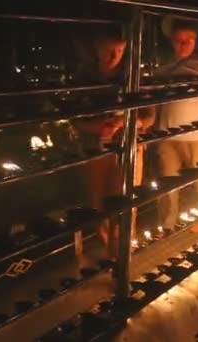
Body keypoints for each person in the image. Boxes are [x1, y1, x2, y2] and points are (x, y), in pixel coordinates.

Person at [72, 28, 153, 259]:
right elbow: (75, 120)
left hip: (128, 149)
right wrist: (95, 126)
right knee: (99, 207)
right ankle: (111, 255)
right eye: (109, 51)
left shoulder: (133, 78)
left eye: (119, 51)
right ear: (96, 49)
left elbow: (149, 116)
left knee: (126, 206)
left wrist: (124, 121)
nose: (113, 56)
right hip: (95, 151)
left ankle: (122, 262)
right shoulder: (83, 79)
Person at [155, 20, 198, 231]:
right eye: (179, 40)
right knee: (167, 185)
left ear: (195, 42)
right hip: (167, 137)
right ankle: (167, 225)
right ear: (172, 42)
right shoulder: (162, 71)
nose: (184, 45)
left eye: (189, 40)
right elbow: (156, 106)